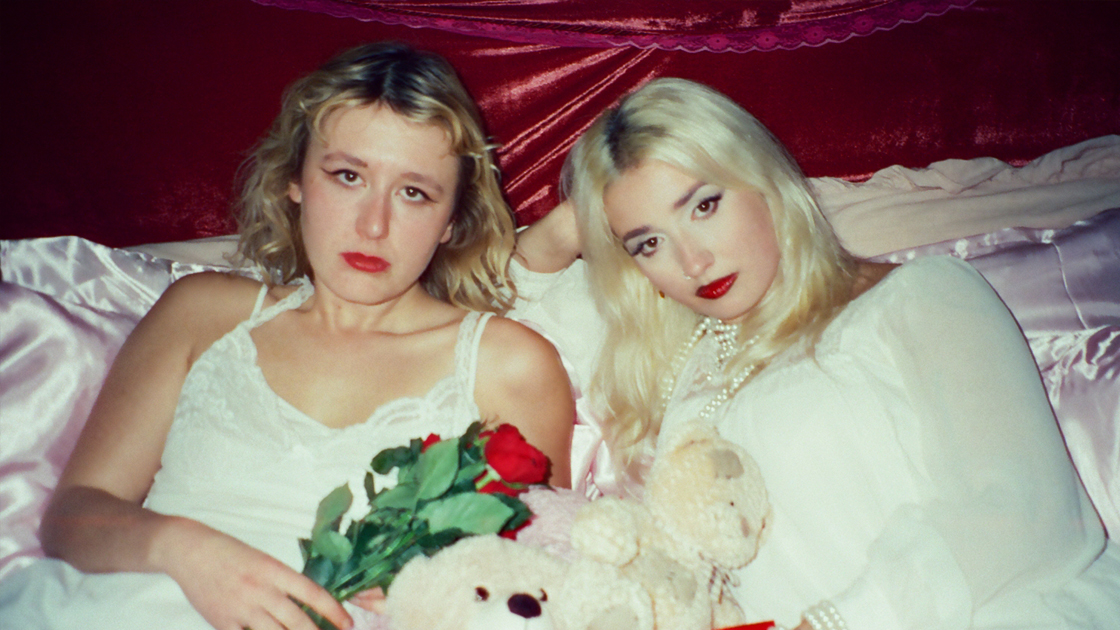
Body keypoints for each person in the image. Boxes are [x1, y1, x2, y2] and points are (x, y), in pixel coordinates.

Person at [0, 42, 574, 630]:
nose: (373, 225)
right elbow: (71, 519)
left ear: (453, 217)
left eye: (414, 193)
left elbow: (533, 586)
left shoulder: (508, 363)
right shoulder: (201, 313)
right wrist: (186, 550)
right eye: (348, 176)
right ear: (295, 180)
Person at [512, 78, 1119, 629]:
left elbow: (1026, 511)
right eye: (649, 243)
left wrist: (831, 624)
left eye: (704, 205)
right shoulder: (678, 355)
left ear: (763, 183)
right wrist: (587, 215)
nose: (692, 261)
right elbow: (512, 297)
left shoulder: (922, 295)